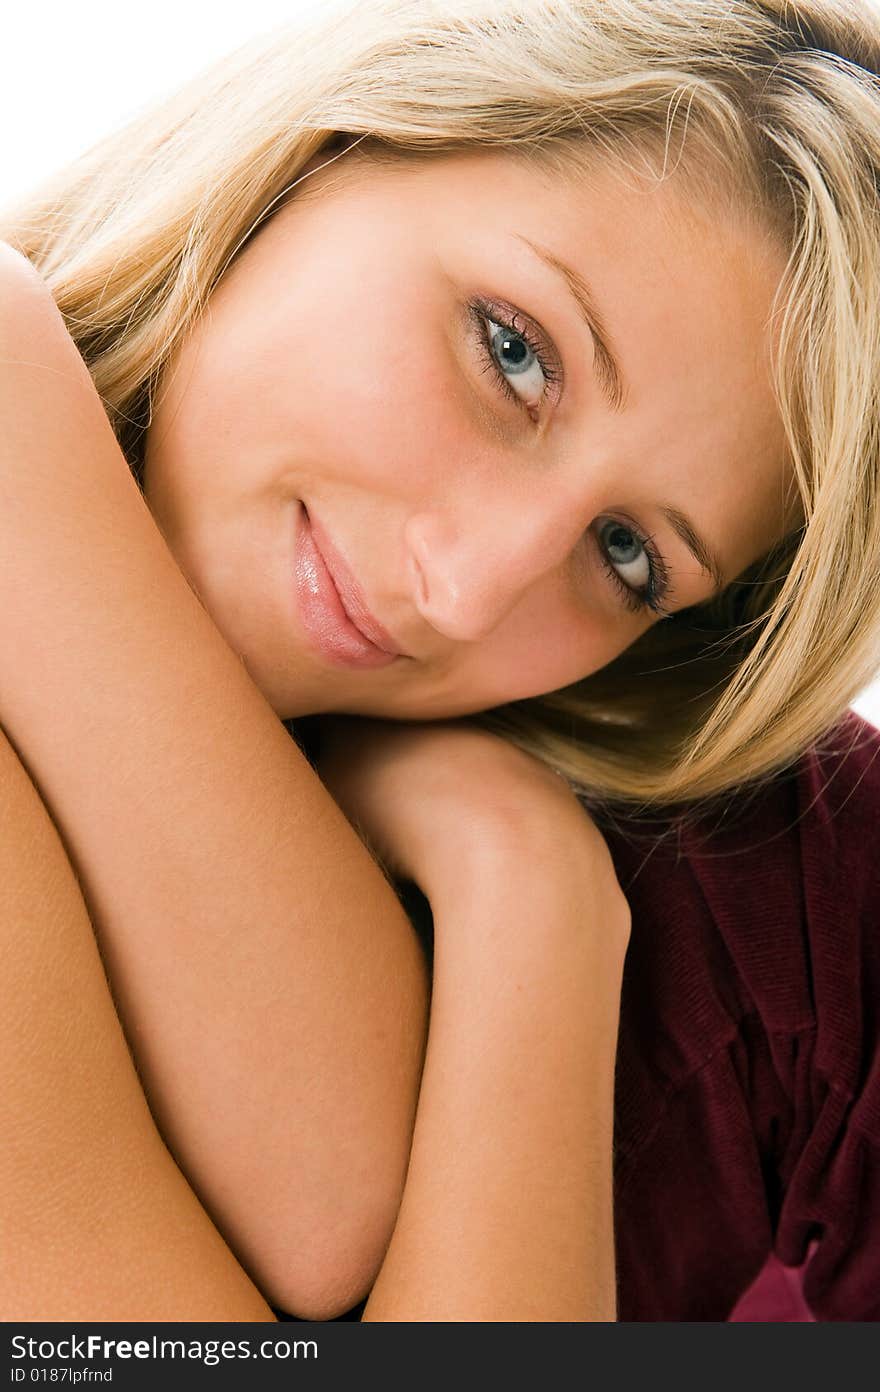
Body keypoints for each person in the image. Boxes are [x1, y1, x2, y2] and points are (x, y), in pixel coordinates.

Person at [0, 0, 878, 1321]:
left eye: (630, 556)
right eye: (512, 351)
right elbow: (331, 1201)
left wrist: (526, 887)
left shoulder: (752, 891)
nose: (466, 594)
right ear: (332, 148)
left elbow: (327, 1194)